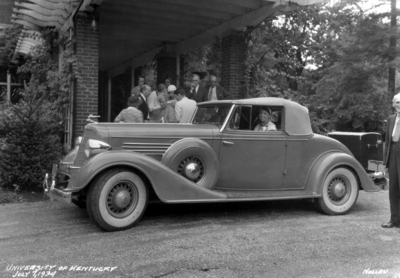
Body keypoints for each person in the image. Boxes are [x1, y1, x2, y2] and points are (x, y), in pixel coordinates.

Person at [382, 93, 400, 228]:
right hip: (393, 154)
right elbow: (387, 141)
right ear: (393, 104)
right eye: (397, 102)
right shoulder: (391, 119)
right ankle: (394, 220)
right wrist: (385, 162)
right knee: (393, 189)